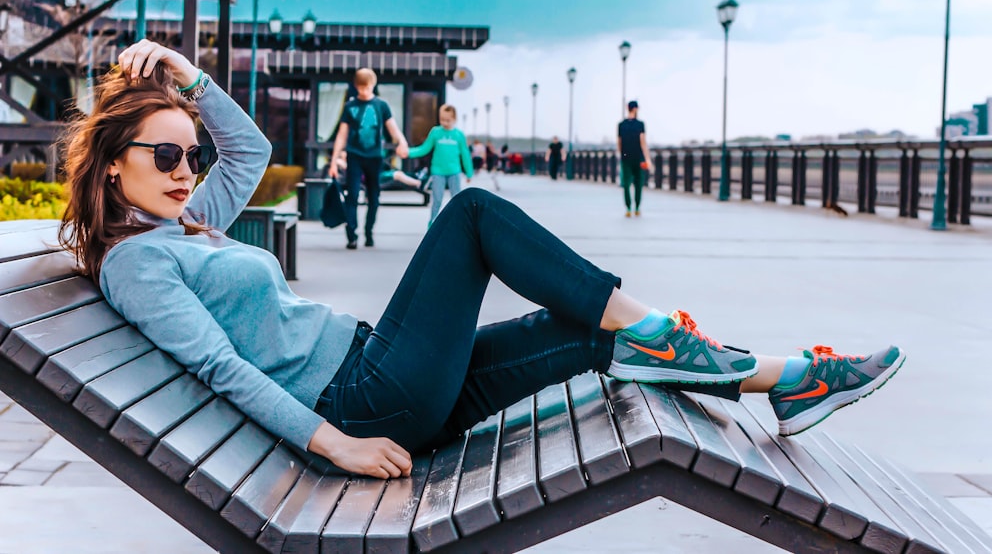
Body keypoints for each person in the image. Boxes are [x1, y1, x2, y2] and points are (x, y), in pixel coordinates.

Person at [58, 41, 906, 480]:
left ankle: (789, 380)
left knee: (584, 333)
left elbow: (242, 151)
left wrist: (186, 81)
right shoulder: (136, 262)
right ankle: (653, 324)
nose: (187, 172)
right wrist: (336, 445)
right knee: (469, 217)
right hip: (359, 400)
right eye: (165, 157)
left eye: (186, 157)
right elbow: (217, 370)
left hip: (379, 373)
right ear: (112, 160)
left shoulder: (184, 224)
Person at [328, 68, 409, 249]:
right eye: (360, 88)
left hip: (374, 158)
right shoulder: (350, 107)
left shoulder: (381, 105)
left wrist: (402, 142)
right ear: (356, 86)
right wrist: (334, 162)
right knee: (353, 195)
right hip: (355, 156)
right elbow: (342, 135)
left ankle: (369, 231)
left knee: (374, 197)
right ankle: (352, 235)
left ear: (373, 85)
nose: (364, 91)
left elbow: (393, 128)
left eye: (367, 87)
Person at [406, 104, 474, 225]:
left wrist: (469, 173)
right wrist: (408, 152)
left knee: (457, 200)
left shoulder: (459, 135)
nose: (444, 122)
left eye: (448, 120)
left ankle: (459, 225)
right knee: (437, 200)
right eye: (442, 119)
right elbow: (425, 148)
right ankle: (432, 224)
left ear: (454, 119)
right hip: (438, 172)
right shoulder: (435, 132)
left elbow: (465, 154)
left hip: (454, 172)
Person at [618, 100, 653, 217]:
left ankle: (628, 208)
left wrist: (621, 156)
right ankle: (637, 207)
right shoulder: (640, 124)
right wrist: (647, 159)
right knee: (639, 184)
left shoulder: (621, 125)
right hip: (639, 158)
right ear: (635, 109)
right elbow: (643, 142)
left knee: (626, 184)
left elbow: (619, 143)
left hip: (626, 158)